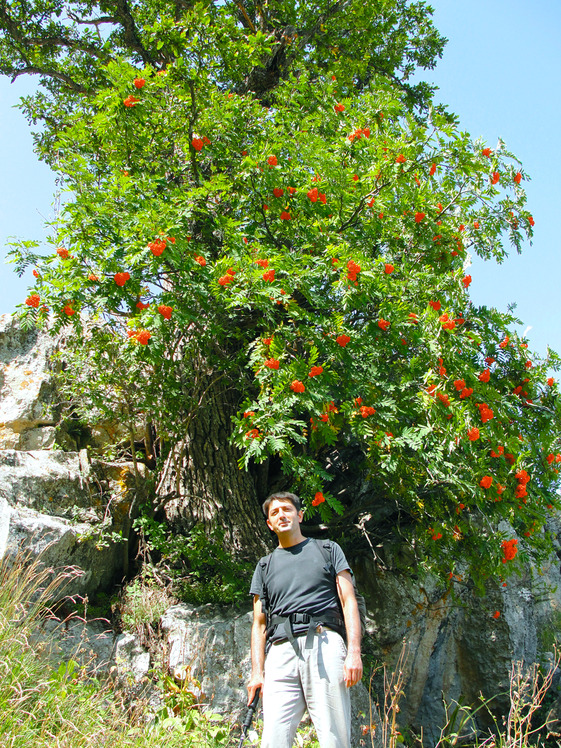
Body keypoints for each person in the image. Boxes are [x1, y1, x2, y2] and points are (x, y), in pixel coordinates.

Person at [247, 491, 363, 748]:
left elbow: (349, 601)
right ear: (269, 524)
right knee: (273, 739)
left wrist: (354, 653)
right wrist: (257, 673)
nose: (281, 515)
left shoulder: (328, 550)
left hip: (324, 643)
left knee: (334, 736)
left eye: (287, 509)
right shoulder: (264, 566)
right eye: (274, 513)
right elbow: (259, 624)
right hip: (279, 653)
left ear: (300, 515)